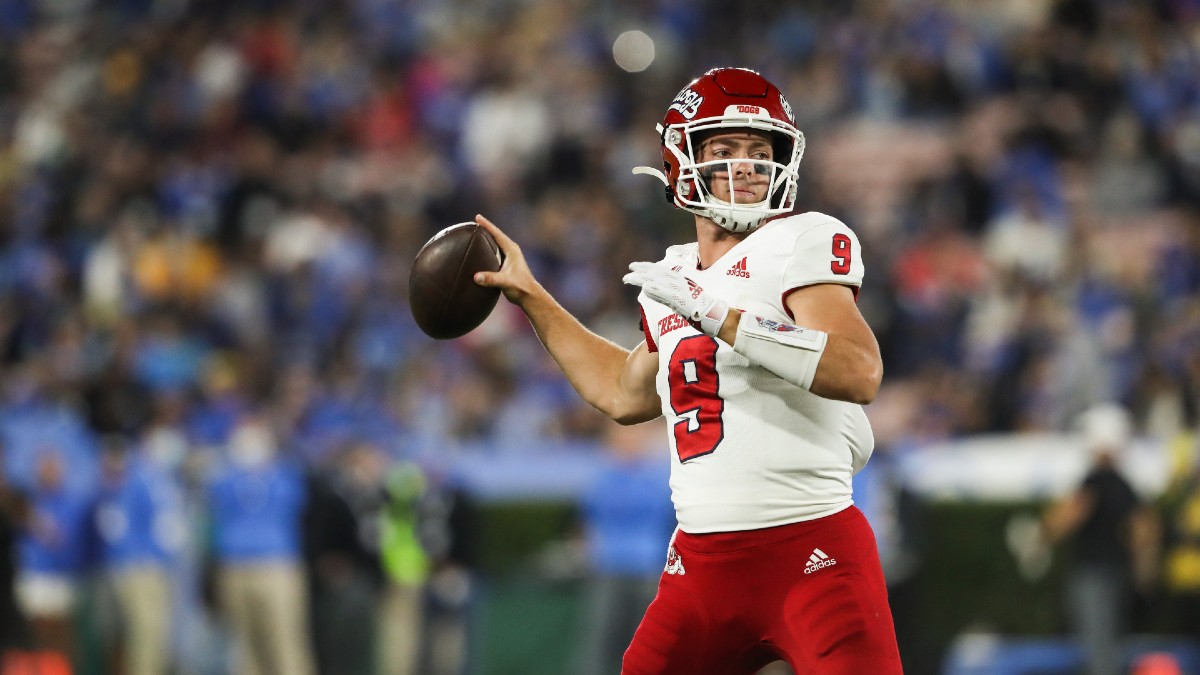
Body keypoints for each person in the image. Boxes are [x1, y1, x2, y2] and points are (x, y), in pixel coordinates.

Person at [472, 67, 902, 674]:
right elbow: (622, 393)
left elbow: (859, 370)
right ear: (681, 162)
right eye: (725, 150)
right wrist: (532, 297)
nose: (748, 166)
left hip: (814, 548)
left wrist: (723, 318)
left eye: (760, 151)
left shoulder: (801, 241)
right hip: (701, 565)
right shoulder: (672, 281)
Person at [1039, 403, 1159, 675]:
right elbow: (1145, 529)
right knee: (1111, 646)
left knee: (1097, 648)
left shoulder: (1094, 480)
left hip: (1092, 574)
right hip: (1118, 572)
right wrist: (1144, 572)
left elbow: (1070, 515)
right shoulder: (1125, 483)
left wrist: (1043, 534)